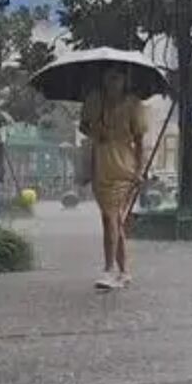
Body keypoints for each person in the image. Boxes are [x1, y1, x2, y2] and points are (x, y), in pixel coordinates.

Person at [79, 66, 147, 291]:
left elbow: (139, 142)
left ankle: (108, 269)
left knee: (112, 218)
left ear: (125, 80)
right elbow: (83, 126)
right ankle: (124, 271)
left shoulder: (133, 105)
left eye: (117, 77)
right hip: (101, 166)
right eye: (109, 77)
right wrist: (95, 132)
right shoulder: (94, 101)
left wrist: (139, 171)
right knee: (112, 220)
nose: (113, 82)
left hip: (123, 168)